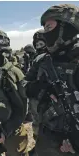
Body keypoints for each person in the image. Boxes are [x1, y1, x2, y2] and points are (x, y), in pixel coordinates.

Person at [25, 4, 79, 156]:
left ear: (66, 27)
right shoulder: (42, 60)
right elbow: (24, 85)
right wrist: (38, 88)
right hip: (48, 135)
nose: (46, 33)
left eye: (49, 27)